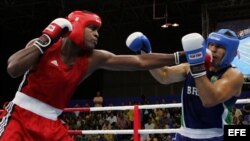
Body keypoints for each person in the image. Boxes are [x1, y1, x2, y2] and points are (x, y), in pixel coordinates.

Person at [0, 10, 185, 141]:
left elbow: (140, 62)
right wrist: (44, 40)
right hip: (19, 118)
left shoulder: (93, 59)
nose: (97, 35)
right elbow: (13, 69)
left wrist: (179, 56)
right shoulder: (45, 46)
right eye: (92, 28)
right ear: (77, 26)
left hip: (51, 124)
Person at [129, 29, 244, 140]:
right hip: (184, 134)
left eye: (219, 47)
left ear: (230, 52)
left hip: (214, 136)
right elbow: (164, 75)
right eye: (211, 45)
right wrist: (146, 53)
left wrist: (197, 66)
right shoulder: (189, 67)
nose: (213, 49)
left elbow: (210, 99)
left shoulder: (233, 76)